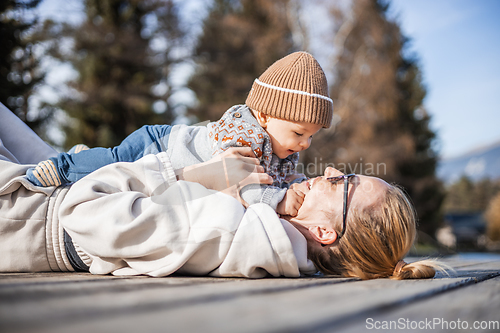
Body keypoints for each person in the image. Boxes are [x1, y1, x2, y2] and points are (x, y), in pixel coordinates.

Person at [0, 103, 442, 279]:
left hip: (26, 214)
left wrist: (190, 173)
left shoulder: (231, 231)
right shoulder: (274, 224)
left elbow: (82, 213)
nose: (328, 170)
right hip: (49, 191)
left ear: (327, 232)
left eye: (342, 183)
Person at [25, 51, 334, 216]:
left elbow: (284, 181)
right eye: (299, 133)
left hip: (167, 160)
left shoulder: (282, 151)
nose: (305, 143)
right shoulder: (245, 135)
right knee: (113, 166)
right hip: (157, 145)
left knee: (112, 167)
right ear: (265, 115)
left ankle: (87, 157)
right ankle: (65, 166)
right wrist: (280, 202)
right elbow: (244, 186)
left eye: (312, 137)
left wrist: (301, 189)